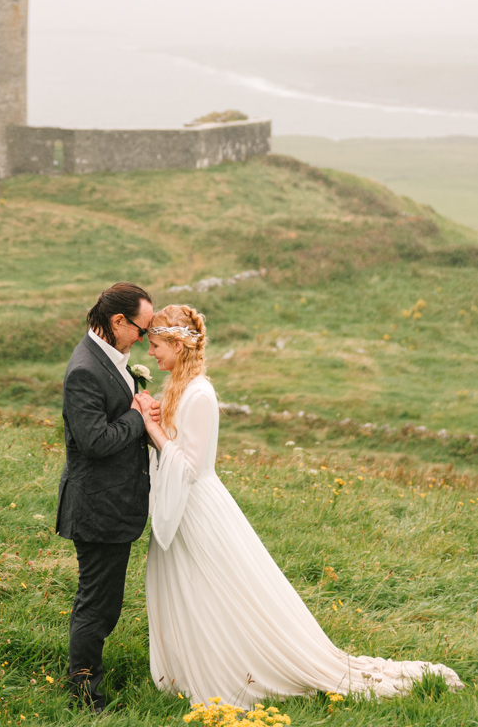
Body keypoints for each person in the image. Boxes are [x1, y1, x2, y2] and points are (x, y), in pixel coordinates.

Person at [138, 304, 463, 709]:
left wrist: (151, 428)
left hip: (199, 507)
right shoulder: (178, 388)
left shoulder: (200, 393)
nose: (150, 353)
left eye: (155, 345)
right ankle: (194, 660)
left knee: (215, 587)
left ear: (177, 344)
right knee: (193, 586)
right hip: (185, 507)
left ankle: (236, 666)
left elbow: (187, 465)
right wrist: (153, 417)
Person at [56, 282, 156, 712]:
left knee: (104, 602)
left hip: (115, 504)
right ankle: (84, 694)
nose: (145, 339)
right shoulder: (84, 370)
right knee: (96, 605)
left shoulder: (112, 357)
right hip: (98, 507)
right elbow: (95, 441)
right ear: (118, 322)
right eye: (142, 330)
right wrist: (137, 416)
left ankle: (86, 678)